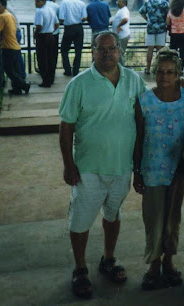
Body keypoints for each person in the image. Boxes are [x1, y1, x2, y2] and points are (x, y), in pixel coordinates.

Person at [59, 31, 147, 299]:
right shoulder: (79, 84)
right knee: (81, 219)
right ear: (92, 51)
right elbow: (66, 129)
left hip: (122, 167)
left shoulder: (134, 80)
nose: (108, 54)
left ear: (120, 50)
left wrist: (138, 164)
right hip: (88, 168)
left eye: (112, 49)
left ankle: (108, 259)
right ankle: (80, 268)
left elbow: (142, 122)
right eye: (101, 49)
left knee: (113, 215)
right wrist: (68, 165)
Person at [133, 48, 184, 291]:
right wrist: (136, 171)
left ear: (178, 73)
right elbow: (139, 139)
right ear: (154, 72)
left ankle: (169, 260)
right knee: (154, 220)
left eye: (170, 72)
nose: (164, 76)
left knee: (172, 219)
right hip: (151, 170)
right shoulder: (144, 101)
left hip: (178, 170)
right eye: (160, 71)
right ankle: (154, 264)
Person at [0, 0, 30, 95]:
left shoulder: (2, 16)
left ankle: (24, 85)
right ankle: (17, 89)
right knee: (15, 69)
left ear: (3, 6)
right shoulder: (9, 15)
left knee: (8, 70)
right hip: (15, 46)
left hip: (8, 47)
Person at [58, 0, 88, 77]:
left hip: (68, 28)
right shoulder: (82, 3)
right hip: (79, 28)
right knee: (78, 50)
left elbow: (61, 18)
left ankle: (67, 70)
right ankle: (75, 71)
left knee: (64, 50)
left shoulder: (64, 3)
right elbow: (84, 18)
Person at [139, 0, 169, 74]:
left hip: (150, 28)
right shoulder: (165, 3)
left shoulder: (148, 1)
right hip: (161, 29)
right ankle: (158, 68)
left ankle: (148, 68)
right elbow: (168, 16)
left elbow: (141, 12)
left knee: (150, 49)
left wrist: (148, 20)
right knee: (159, 50)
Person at [34, 0, 59, 88]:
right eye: (35, 1)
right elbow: (57, 23)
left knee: (42, 60)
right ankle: (51, 78)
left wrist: (36, 34)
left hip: (43, 37)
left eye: (38, 1)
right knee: (50, 58)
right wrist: (51, 30)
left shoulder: (39, 11)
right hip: (51, 36)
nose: (36, 3)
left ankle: (46, 81)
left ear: (43, 1)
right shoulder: (51, 10)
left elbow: (39, 26)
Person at [166, 0, 184, 70]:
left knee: (173, 53)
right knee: (183, 53)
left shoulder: (170, 12)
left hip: (174, 35)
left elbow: (167, 22)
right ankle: (180, 69)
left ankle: (173, 68)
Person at [112, 0, 130, 65]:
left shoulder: (124, 10)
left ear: (123, 3)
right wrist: (113, 22)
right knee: (119, 53)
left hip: (122, 36)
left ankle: (122, 69)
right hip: (120, 35)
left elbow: (125, 19)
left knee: (120, 53)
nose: (117, 3)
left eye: (119, 1)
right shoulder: (121, 10)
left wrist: (119, 26)